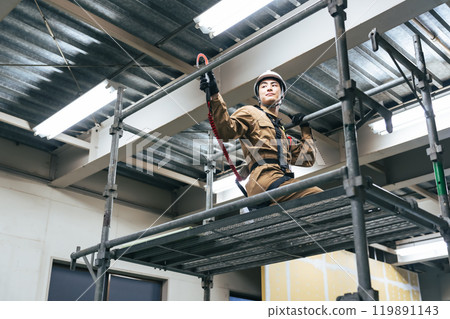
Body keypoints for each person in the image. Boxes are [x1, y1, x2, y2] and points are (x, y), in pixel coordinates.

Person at [200, 69, 322, 203]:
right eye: (264, 86)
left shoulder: (281, 133)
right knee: (319, 195)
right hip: (265, 182)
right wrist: (214, 95)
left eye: (274, 85)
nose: (269, 88)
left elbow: (307, 158)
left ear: (282, 95)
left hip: (280, 181)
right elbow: (227, 131)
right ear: (258, 95)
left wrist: (305, 128)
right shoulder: (250, 112)